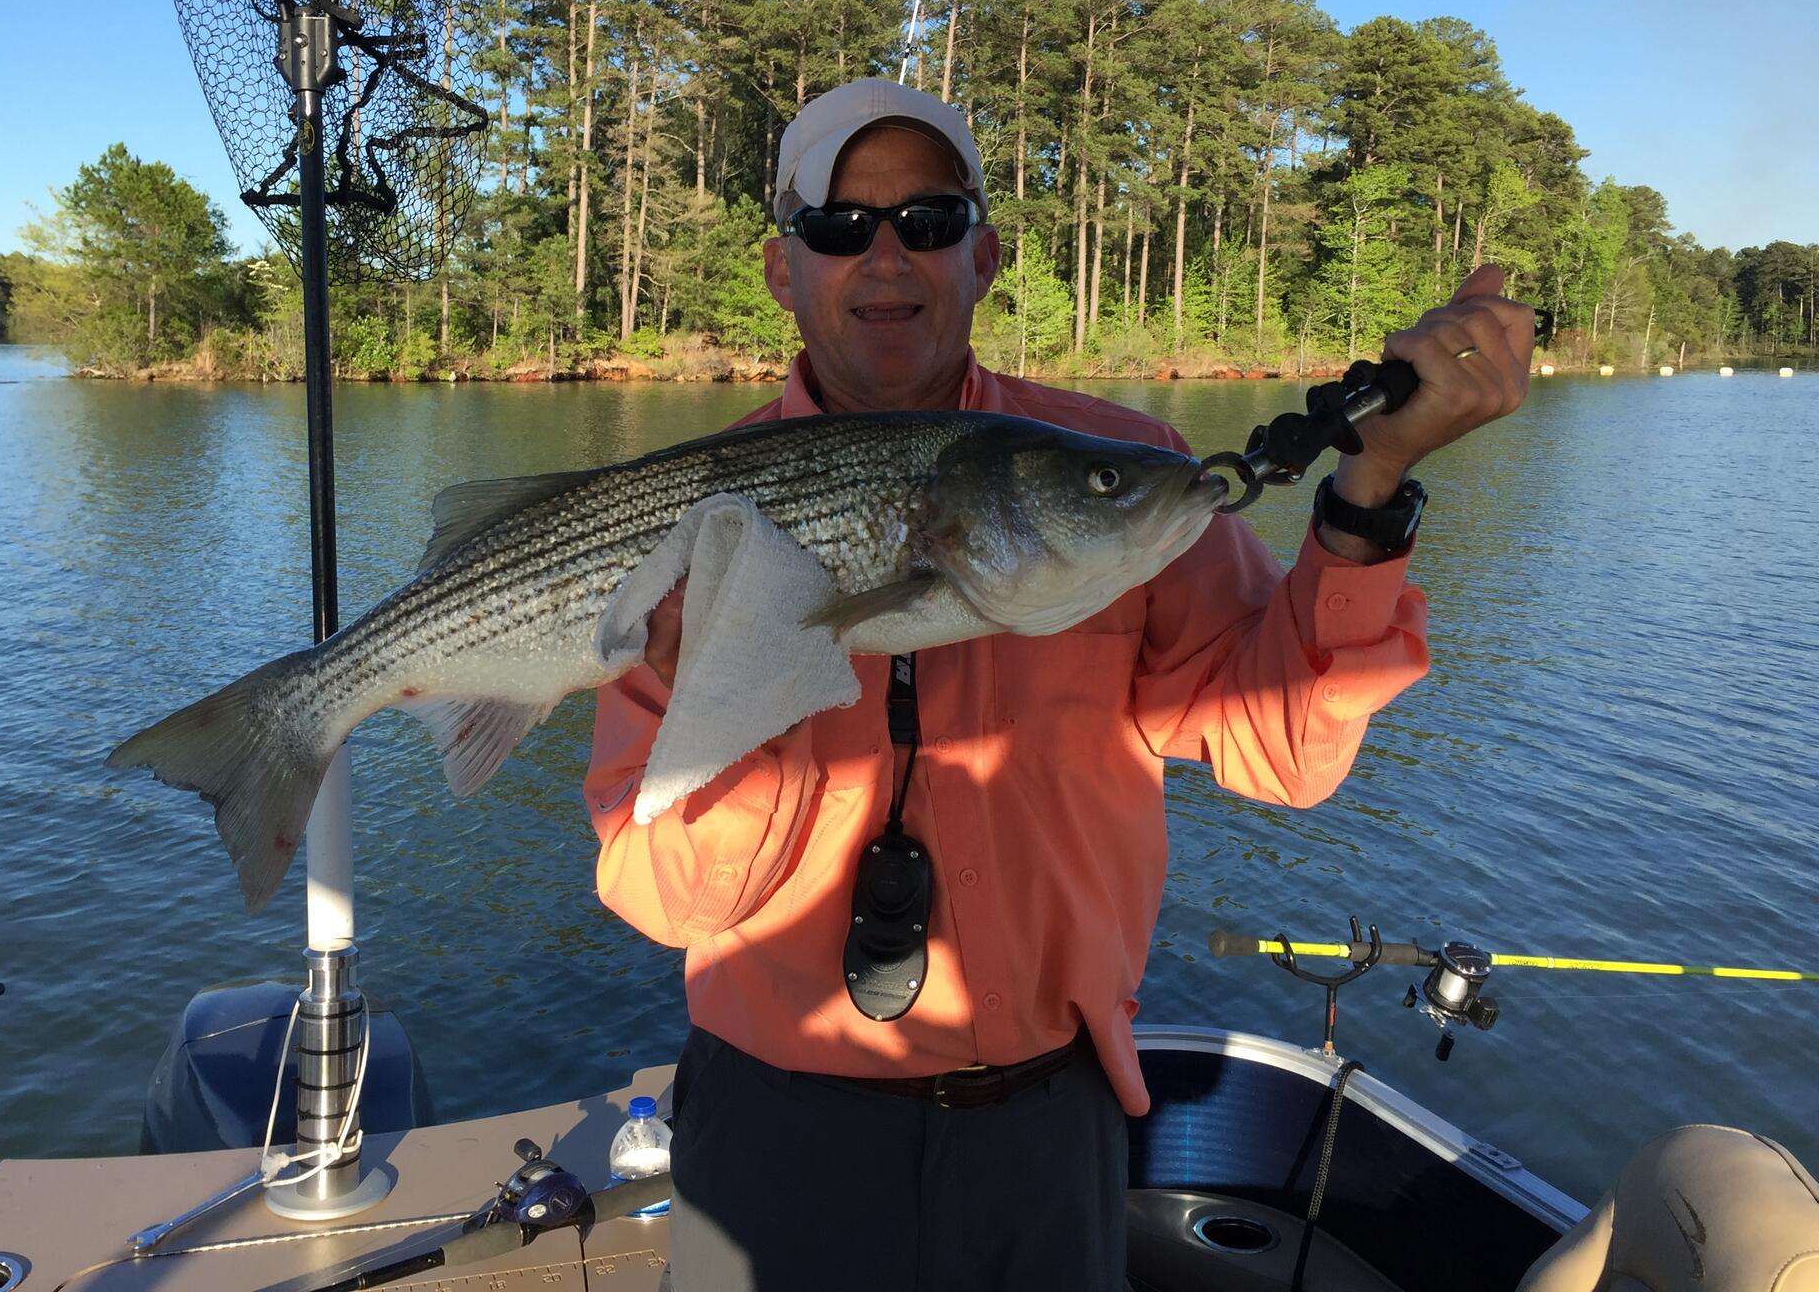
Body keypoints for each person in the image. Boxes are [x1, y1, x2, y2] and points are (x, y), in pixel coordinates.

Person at [583, 77, 1536, 1290]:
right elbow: (658, 896)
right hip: (771, 1127)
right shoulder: (687, 523)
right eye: (839, 225)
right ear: (783, 268)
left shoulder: (1126, 472)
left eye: (928, 221)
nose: (886, 256)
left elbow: (1287, 755)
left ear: (982, 257)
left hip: (1047, 1127)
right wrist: (730, 704)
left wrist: (1369, 487)